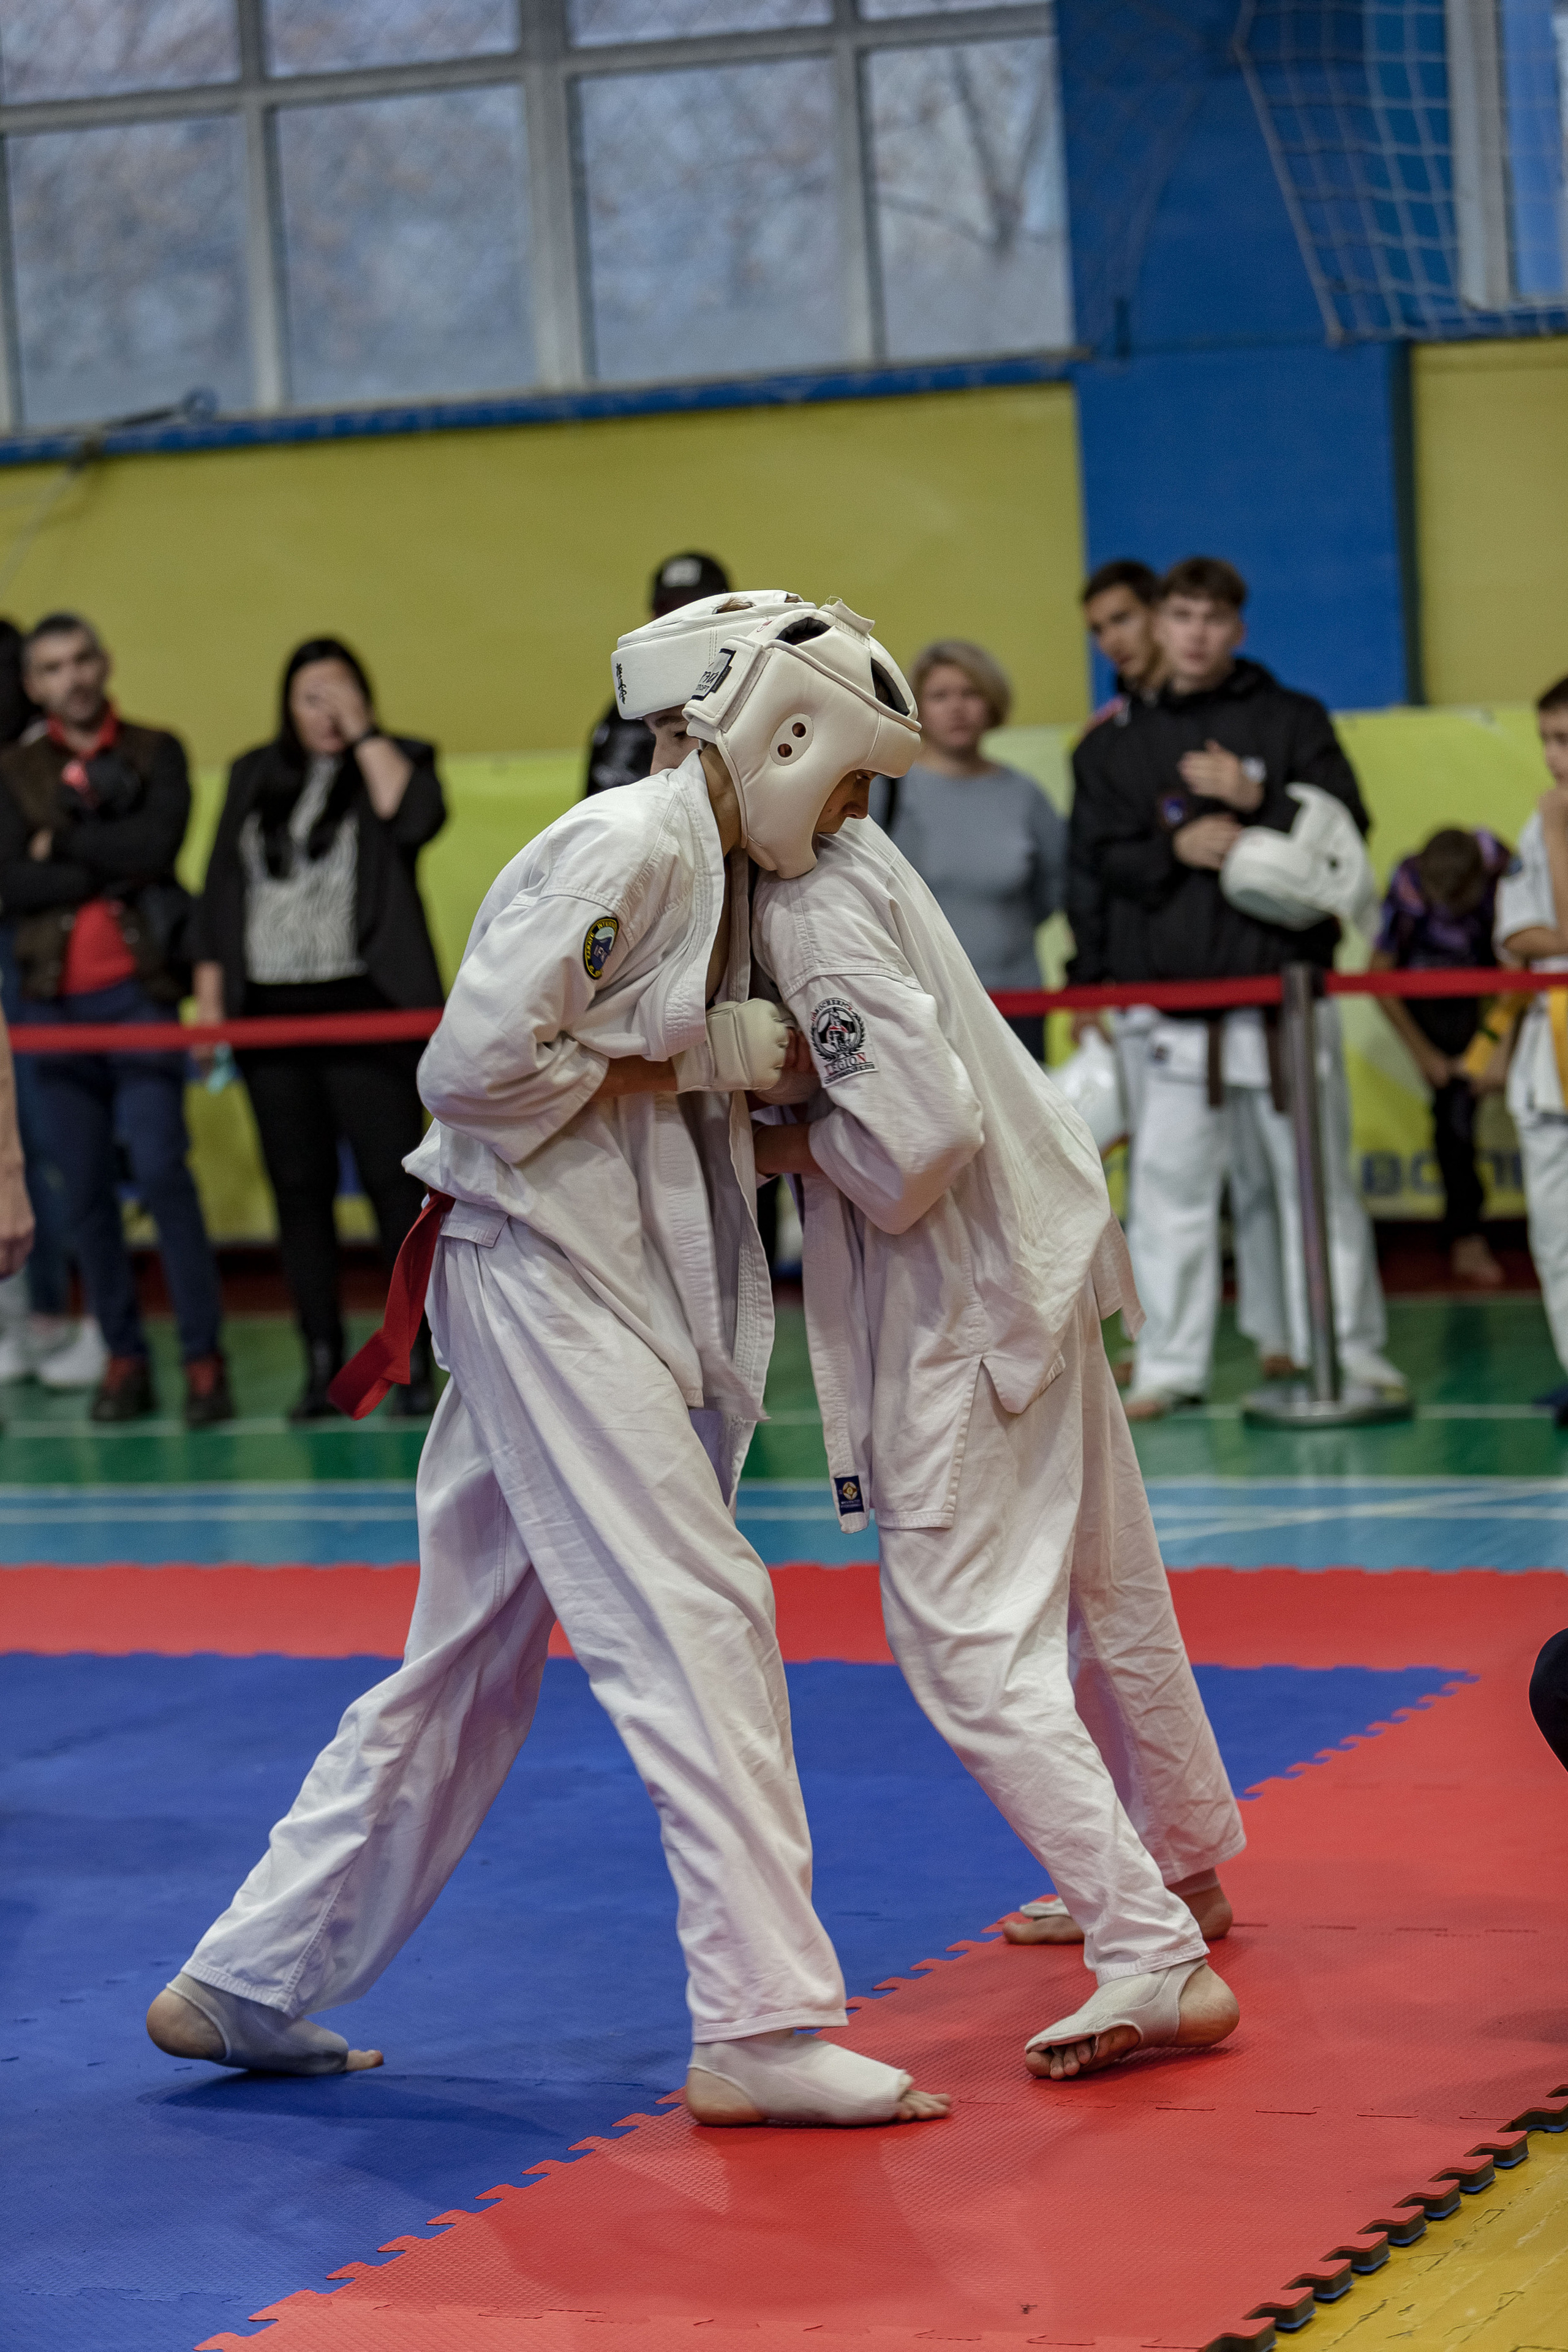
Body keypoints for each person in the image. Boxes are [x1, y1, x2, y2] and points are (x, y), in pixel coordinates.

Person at [148, 598, 948, 2131]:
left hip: (590, 1278)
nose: (853, 811)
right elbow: (469, 1070)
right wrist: (692, 1054)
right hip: (540, 1277)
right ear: (784, 735)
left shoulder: (717, 870)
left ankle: (247, 1973)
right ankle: (759, 2020)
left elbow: (629, 1087)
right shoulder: (622, 846)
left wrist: (748, 1089)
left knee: (470, 1656)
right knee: (700, 1613)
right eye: (850, 776)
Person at [745, 604, 1242, 2080]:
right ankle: (1180, 1863)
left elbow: (917, 1139)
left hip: (965, 1292)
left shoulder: (807, 905)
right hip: (1034, 1247)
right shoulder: (857, 854)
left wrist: (777, 1137)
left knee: (961, 1641)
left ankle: (1147, 1946)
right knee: (1106, 1583)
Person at [1069, 557, 1401, 1419]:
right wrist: (1172, 851)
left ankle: (1353, 1353)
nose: (1196, 634)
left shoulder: (1292, 720)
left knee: (1316, 1191)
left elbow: (1348, 834)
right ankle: (1167, 1369)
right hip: (1177, 1007)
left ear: (1238, 629)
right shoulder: (1112, 746)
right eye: (1181, 616)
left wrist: (1261, 798)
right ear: (1159, 622)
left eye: (1213, 618)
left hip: (1286, 999)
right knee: (1168, 1197)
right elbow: (1097, 862)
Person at [192, 639, 445, 1420]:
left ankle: (409, 1358)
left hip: (368, 1004)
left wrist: (364, 733)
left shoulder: (398, 759)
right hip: (270, 1014)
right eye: (312, 696)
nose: (327, 710)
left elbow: (413, 820)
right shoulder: (252, 773)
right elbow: (219, 891)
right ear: (287, 705)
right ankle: (321, 1359)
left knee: (392, 1186)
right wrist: (210, 1010)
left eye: (342, 693)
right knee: (297, 1190)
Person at [0, 613, 230, 1426]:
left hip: (140, 996)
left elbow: (157, 850)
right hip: (50, 1006)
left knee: (163, 1171)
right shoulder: (13, 771)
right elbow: (10, 885)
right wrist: (107, 854)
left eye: (81, 660)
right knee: (85, 1187)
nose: (71, 678)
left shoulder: (155, 750)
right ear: (33, 685)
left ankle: (203, 1360)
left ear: (104, 664)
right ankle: (124, 1359)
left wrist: (55, 845)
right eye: (52, 667)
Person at [867, 638, 1065, 1062]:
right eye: (940, 696)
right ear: (917, 708)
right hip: (922, 1004)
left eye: (970, 693)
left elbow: (1055, 889)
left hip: (1017, 1002)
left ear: (992, 702)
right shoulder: (885, 791)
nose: (957, 708)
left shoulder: (1024, 795)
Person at [1371, 827, 1509, 1288]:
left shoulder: (1501, 865)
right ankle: (1465, 1235)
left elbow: (1516, 965)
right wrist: (1425, 1055)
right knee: (1454, 1112)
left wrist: (1497, 1046)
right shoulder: (1408, 885)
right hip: (1430, 1001)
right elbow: (1379, 976)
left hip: (1497, 994)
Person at [1494, 677, 1568, 1422]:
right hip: (1548, 1051)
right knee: (1554, 1232)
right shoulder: (1535, 821)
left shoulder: (1549, 823)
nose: (1555, 757)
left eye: (1567, 740)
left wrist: (1558, 834)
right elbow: (1516, 936)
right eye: (1547, 739)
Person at [584, 551, 731, 797]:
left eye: (693, 610)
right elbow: (601, 801)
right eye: (667, 612)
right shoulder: (630, 709)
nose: (676, 624)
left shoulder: (757, 693)